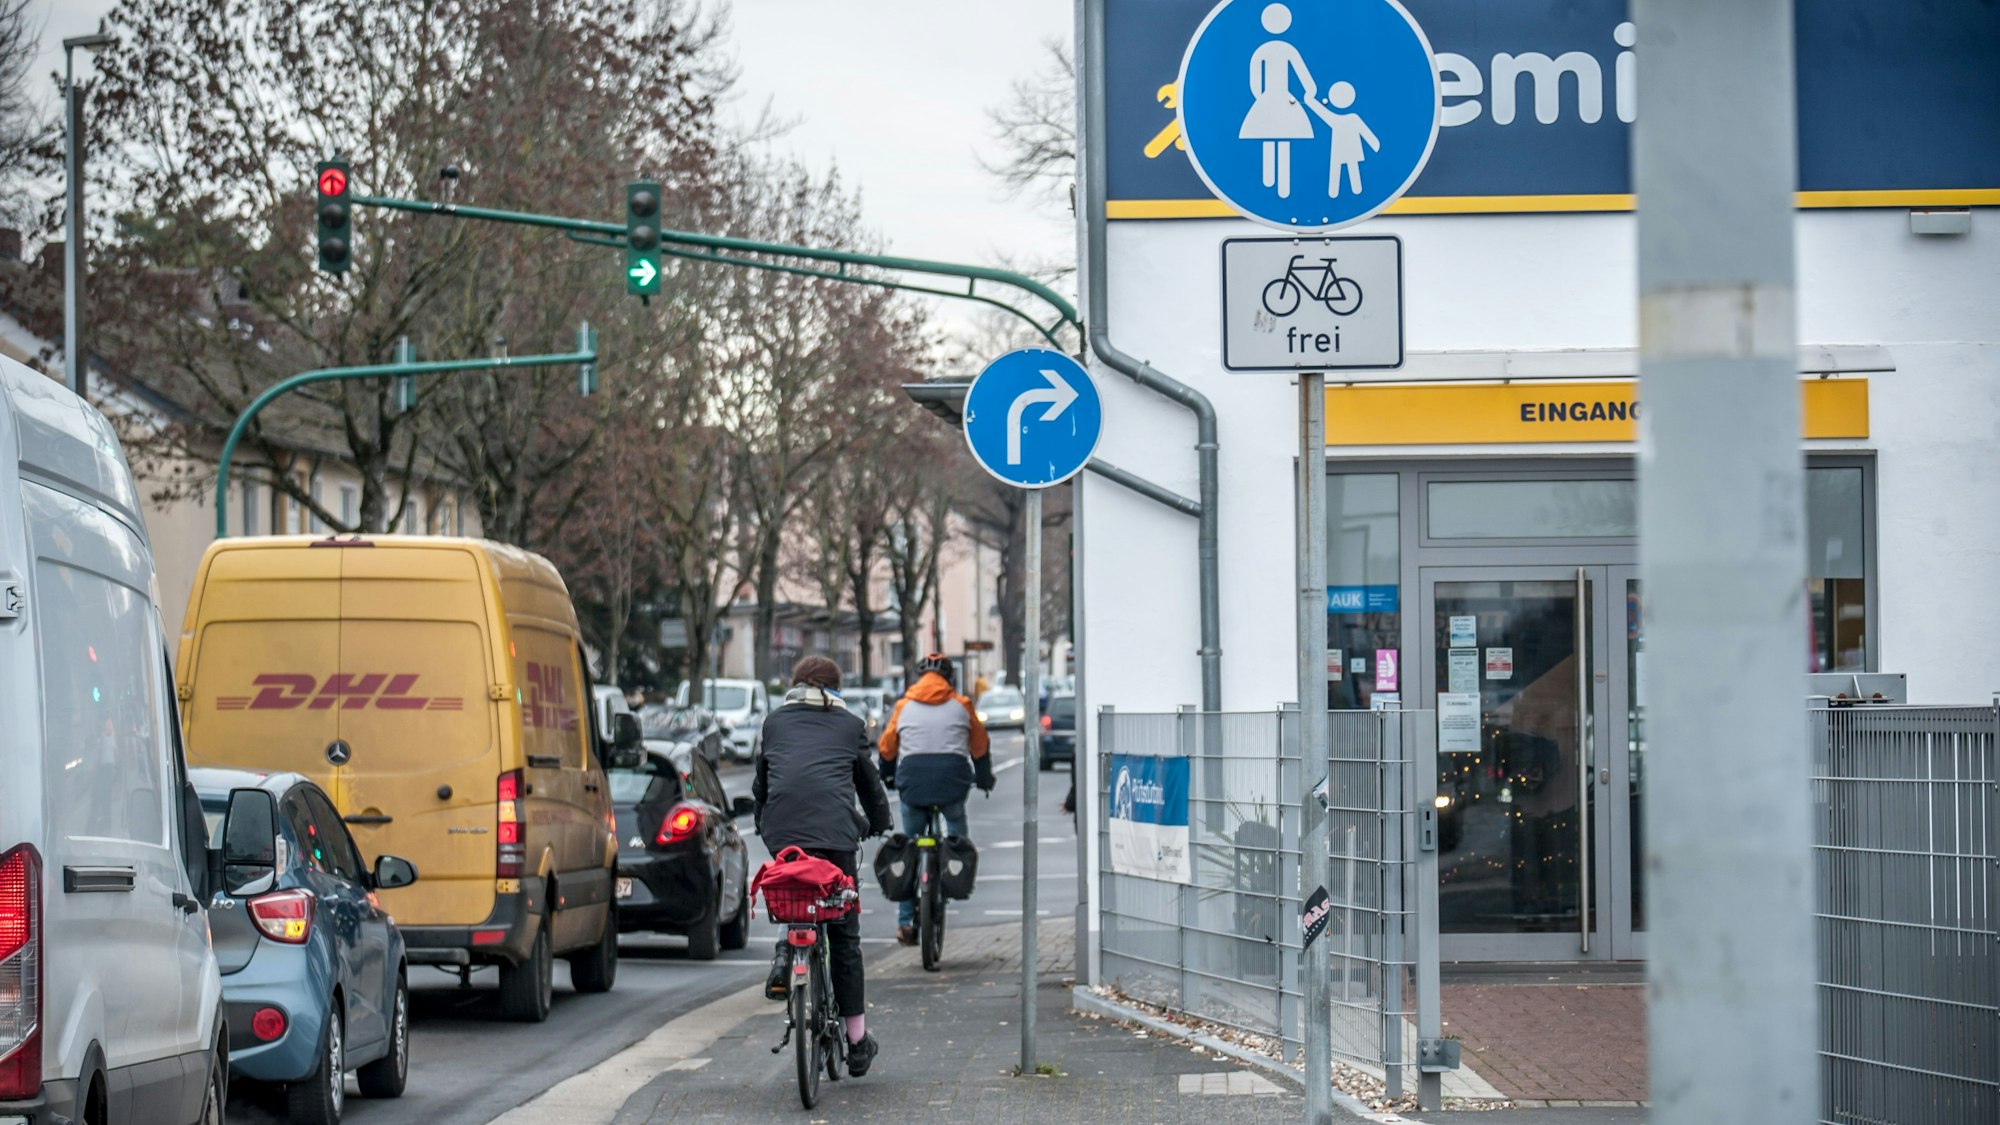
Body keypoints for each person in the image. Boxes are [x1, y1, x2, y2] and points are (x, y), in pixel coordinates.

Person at [753, 656, 895, 1077]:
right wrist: (879, 822)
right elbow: (868, 783)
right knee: (844, 938)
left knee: (795, 888)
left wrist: (766, 823)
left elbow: (763, 784)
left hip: (783, 833)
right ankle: (856, 1044)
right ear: (836, 689)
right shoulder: (850, 726)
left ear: (796, 685)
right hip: (836, 838)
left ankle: (785, 953)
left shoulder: (774, 723)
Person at [876, 653, 993, 945]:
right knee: (956, 831)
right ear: (949, 678)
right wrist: (984, 778)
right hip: (952, 782)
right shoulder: (962, 705)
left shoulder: (904, 706)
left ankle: (905, 921)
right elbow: (980, 746)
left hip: (913, 783)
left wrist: (888, 776)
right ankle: (955, 873)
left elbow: (887, 747)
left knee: (910, 846)